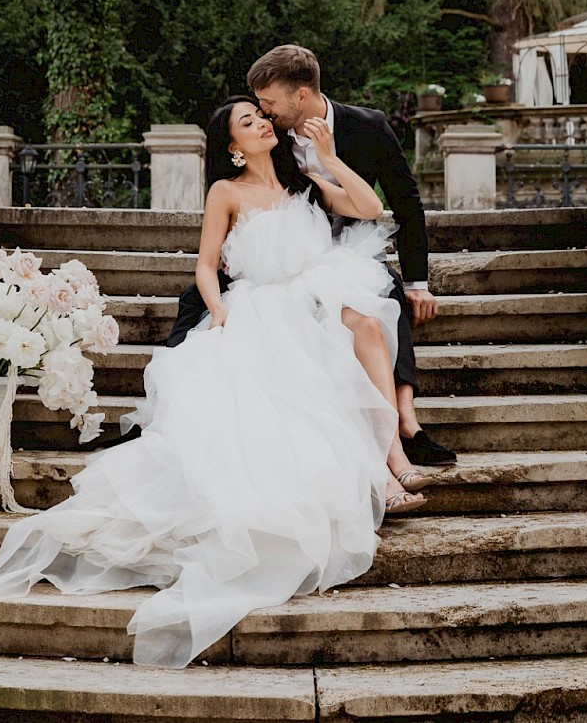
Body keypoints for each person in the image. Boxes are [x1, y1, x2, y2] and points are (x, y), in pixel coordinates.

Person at [0, 97, 439, 667]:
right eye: (249, 121)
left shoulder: (306, 181)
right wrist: (217, 309)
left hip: (315, 291)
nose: (264, 123)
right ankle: (382, 462)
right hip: (260, 301)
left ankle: (389, 454)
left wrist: (332, 158)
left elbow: (366, 207)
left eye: (262, 116)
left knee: (367, 321)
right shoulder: (226, 192)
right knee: (307, 356)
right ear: (233, 148)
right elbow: (205, 265)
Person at [164, 45, 456, 466]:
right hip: (274, 259)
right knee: (196, 299)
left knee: (386, 291)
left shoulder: (366, 126)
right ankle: (172, 406)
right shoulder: (272, 137)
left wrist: (418, 283)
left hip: (342, 251)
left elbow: (403, 206)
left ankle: (406, 419)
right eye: (257, 111)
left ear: (300, 95)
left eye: (267, 105)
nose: (264, 115)